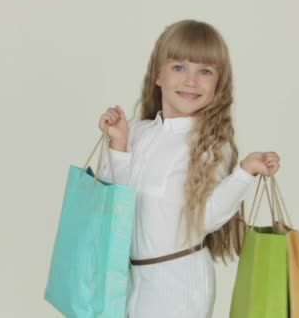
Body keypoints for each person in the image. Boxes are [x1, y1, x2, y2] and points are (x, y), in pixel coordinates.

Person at [97, 19, 281, 318]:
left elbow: (206, 218)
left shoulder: (210, 144)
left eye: (204, 71)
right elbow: (113, 207)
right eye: (179, 67)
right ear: (158, 74)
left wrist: (245, 171)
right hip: (130, 280)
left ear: (218, 84)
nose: (191, 81)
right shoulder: (139, 132)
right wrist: (118, 144)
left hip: (179, 285)